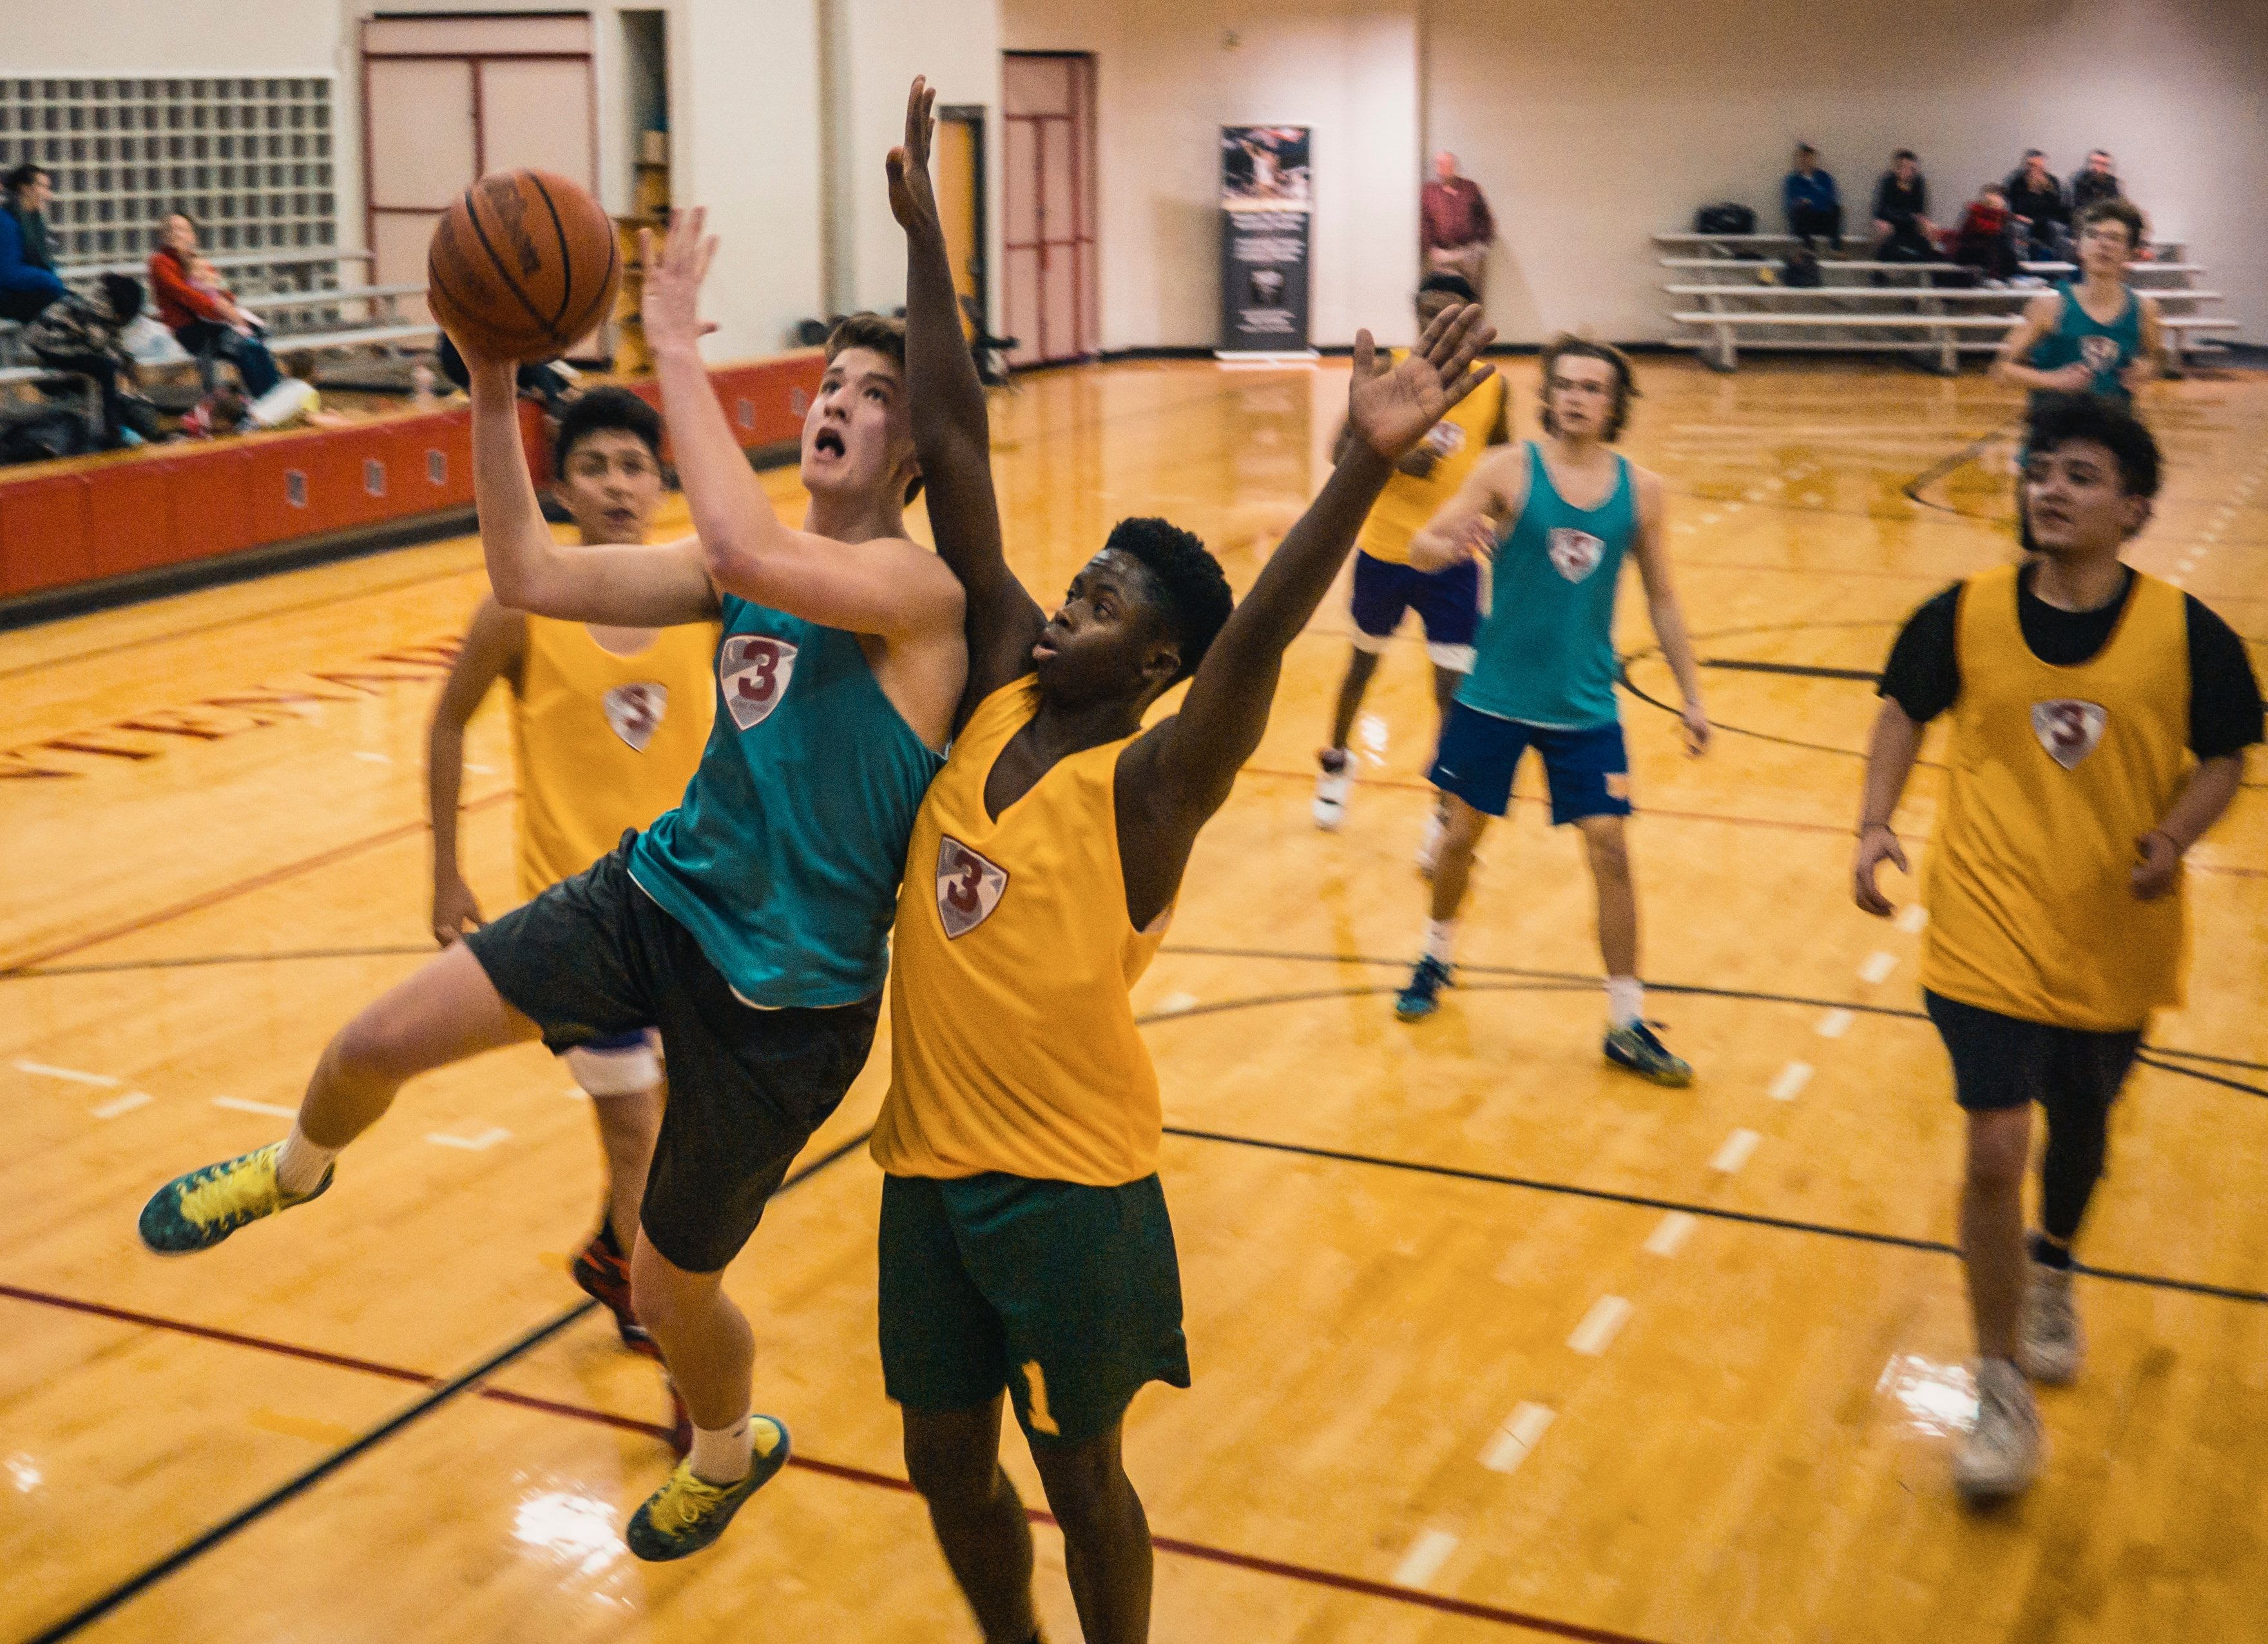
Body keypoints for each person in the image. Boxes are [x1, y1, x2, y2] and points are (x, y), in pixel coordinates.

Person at [138, 209, 970, 1565]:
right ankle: (294, 1172)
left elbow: (761, 553)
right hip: (652, 900)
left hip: (787, 1002)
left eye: (875, 398)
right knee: (371, 1041)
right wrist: (483, 382)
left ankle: (724, 1447)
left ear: (916, 452)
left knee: (663, 1280)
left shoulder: (909, 590)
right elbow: (525, 572)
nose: (838, 405)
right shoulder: (735, 569)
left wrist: (677, 347)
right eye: (829, 382)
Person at [879, 77, 1494, 1644]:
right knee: (942, 1458)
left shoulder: (1151, 785)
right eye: (1081, 575)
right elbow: (951, 438)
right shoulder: (1002, 677)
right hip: (923, 1167)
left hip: (1073, 1182)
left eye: (1112, 597)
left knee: (1079, 1472)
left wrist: (1356, 462)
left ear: (1159, 665)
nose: (1076, 592)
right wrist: (926, 237)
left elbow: (1265, 633)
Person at [1853, 395, 2261, 1502]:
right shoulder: (1962, 612)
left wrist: (2176, 834)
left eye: (2081, 476)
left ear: (2132, 510)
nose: (2051, 490)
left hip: (2113, 927)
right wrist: (1875, 821)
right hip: (1984, 917)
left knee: (2080, 1129)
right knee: (1993, 1146)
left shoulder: (2188, 632)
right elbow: (1901, 710)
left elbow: (2228, 752)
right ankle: (1998, 1389)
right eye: (2042, 472)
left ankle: (2056, 1266)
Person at [424, 387, 720, 1361]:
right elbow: (448, 721)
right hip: (579, 918)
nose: (619, 486)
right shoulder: (522, 609)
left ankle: (611, 1248)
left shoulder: (704, 600)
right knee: (635, 1130)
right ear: (558, 487)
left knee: (677, 1126)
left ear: (662, 480)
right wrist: (447, 874)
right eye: (595, 467)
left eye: (634, 466)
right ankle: (652, 1309)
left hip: (691, 904)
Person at [1389, 336, 1709, 1089]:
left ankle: (1626, 1022)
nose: (1575, 398)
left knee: (1609, 847)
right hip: (1494, 697)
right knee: (1460, 837)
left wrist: (1693, 695)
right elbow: (1421, 541)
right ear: (1549, 395)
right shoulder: (1508, 469)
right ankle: (1436, 952)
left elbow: (1662, 597)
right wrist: (1446, 546)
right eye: (1564, 384)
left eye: (1592, 388)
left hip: (1585, 704)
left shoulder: (1643, 491)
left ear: (1615, 404)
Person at [1312, 269, 1510, 852]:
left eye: (1447, 314)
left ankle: (1444, 805)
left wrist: (1505, 522)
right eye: (1426, 314)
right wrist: (1399, 459)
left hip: (1452, 559)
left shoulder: (1493, 387)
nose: (1435, 325)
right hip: (1384, 552)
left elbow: (1500, 458)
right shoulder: (1387, 369)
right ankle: (1336, 760)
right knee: (1361, 668)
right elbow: (1337, 449)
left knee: (1451, 690)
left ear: (1471, 319)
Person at [1995, 199, 2161, 417]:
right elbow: (2001, 370)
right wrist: (2055, 380)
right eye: (2092, 235)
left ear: (2131, 252)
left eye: (2114, 238)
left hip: (2112, 438)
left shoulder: (2145, 310)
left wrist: (2146, 369)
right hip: (2053, 440)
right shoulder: (2049, 306)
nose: (2103, 244)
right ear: (2079, 247)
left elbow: (2156, 359)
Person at [148, 211, 280, 396]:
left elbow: (225, 290)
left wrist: (224, 297)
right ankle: (264, 401)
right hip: (191, 329)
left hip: (218, 324)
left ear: (193, 236)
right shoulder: (160, 262)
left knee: (256, 348)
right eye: (171, 229)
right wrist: (222, 311)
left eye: (183, 230)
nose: (177, 234)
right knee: (245, 348)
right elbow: (184, 295)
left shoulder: (199, 262)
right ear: (163, 235)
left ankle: (275, 398)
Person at [21, 272, 156, 448]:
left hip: (62, 342)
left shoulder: (103, 302)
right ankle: (110, 431)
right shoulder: (95, 306)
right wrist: (123, 366)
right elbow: (98, 343)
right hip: (48, 344)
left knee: (106, 368)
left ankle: (104, 425)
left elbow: (111, 341)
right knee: (105, 369)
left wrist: (127, 362)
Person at [1420, 150, 1495, 301]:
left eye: (1447, 164)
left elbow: (1485, 218)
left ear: (1454, 166)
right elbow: (1425, 222)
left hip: (1468, 256)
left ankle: (1471, 325)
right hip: (1441, 257)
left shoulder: (1470, 188)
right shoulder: (1429, 192)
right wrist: (1430, 249)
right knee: (1443, 300)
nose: (1443, 168)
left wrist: (1479, 247)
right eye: (1439, 164)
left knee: (1470, 301)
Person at [0, 163, 65, 323]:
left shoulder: (34, 222)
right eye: (42, 187)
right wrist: (50, 280)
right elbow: (8, 273)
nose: (48, 195)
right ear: (25, 189)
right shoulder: (6, 221)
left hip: (22, 293)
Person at [2003, 150, 2070, 263]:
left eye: (2040, 166)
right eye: (2032, 166)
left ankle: (2060, 269)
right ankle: (2022, 267)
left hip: (2046, 221)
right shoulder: (2017, 182)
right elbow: (2016, 206)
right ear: (2027, 166)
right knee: (2019, 229)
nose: (2036, 169)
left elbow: (2056, 207)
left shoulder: (2052, 182)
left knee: (2058, 229)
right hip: (2024, 220)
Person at [1870, 151, 1937, 263]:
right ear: (1896, 168)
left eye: (1912, 168)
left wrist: (1924, 222)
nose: (1908, 172)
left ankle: (1926, 264)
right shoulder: (1888, 180)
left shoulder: (1918, 182)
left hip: (1910, 220)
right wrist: (1907, 216)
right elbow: (1881, 209)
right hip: (1889, 220)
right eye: (1903, 167)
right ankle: (1878, 264)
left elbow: (1920, 210)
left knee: (1931, 228)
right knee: (1884, 228)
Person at [1949, 184, 2021, 285]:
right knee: (1997, 240)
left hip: (1989, 255)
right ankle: (1994, 278)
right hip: (1970, 253)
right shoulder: (1975, 214)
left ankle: (2006, 277)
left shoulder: (2003, 218)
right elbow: (1983, 230)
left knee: (2004, 242)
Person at [1782, 143, 1842, 247]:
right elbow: (1790, 203)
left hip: (1821, 220)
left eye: (1808, 158)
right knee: (1802, 208)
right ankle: (1809, 248)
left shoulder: (1824, 178)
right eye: (1802, 158)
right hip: (1804, 223)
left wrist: (1811, 202)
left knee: (1836, 208)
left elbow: (1829, 198)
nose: (1805, 161)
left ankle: (1836, 249)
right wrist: (1804, 202)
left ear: (1813, 159)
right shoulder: (1793, 180)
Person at [2071, 149, 2122, 215]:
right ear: (2089, 163)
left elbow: (2117, 204)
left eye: (2103, 164)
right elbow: (2078, 207)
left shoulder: (2111, 183)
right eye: (2095, 162)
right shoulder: (2078, 181)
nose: (2098, 167)